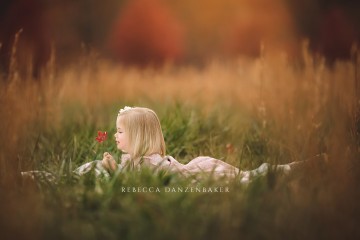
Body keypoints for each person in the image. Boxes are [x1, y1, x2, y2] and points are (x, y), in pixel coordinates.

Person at [74, 106, 301, 183]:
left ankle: (295, 168)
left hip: (196, 176)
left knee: (248, 178)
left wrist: (115, 172)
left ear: (139, 136)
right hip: (191, 169)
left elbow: (152, 183)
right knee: (247, 175)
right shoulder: (135, 160)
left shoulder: (150, 162)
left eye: (120, 131)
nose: (115, 135)